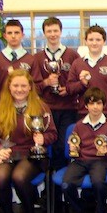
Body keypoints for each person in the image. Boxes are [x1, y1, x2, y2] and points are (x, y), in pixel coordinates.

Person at [0, 69, 57, 213]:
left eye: (24, 86)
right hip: (8, 152)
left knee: (19, 177)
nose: (19, 89)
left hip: (32, 154)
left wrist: (42, 139)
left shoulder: (41, 107)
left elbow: (53, 134)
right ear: (9, 87)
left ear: (30, 87)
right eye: (16, 85)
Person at [61, 87, 107, 213]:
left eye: (99, 103)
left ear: (103, 105)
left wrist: (106, 151)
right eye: (92, 103)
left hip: (100, 161)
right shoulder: (79, 126)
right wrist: (73, 149)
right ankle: (78, 211)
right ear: (86, 105)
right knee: (66, 184)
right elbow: (73, 150)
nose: (95, 107)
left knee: (99, 183)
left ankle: (100, 212)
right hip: (81, 160)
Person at [32, 16, 80, 171]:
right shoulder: (37, 58)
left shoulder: (72, 56)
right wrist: (46, 82)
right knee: (48, 147)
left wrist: (68, 89)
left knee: (64, 146)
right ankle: (50, 191)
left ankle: (64, 185)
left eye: (55, 30)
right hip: (46, 109)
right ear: (44, 33)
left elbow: (81, 84)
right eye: (49, 31)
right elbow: (32, 88)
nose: (52, 34)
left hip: (68, 109)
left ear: (61, 32)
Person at [67, 25, 107, 126]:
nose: (94, 43)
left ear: (104, 41)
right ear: (86, 41)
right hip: (83, 115)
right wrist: (82, 84)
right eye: (91, 39)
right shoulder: (77, 63)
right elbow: (69, 89)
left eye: (98, 39)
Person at [0, 19, 35, 97]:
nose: (13, 36)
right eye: (9, 33)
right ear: (5, 36)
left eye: (17, 33)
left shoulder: (31, 59)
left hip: (26, 105)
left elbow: (35, 86)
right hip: (2, 105)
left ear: (22, 35)